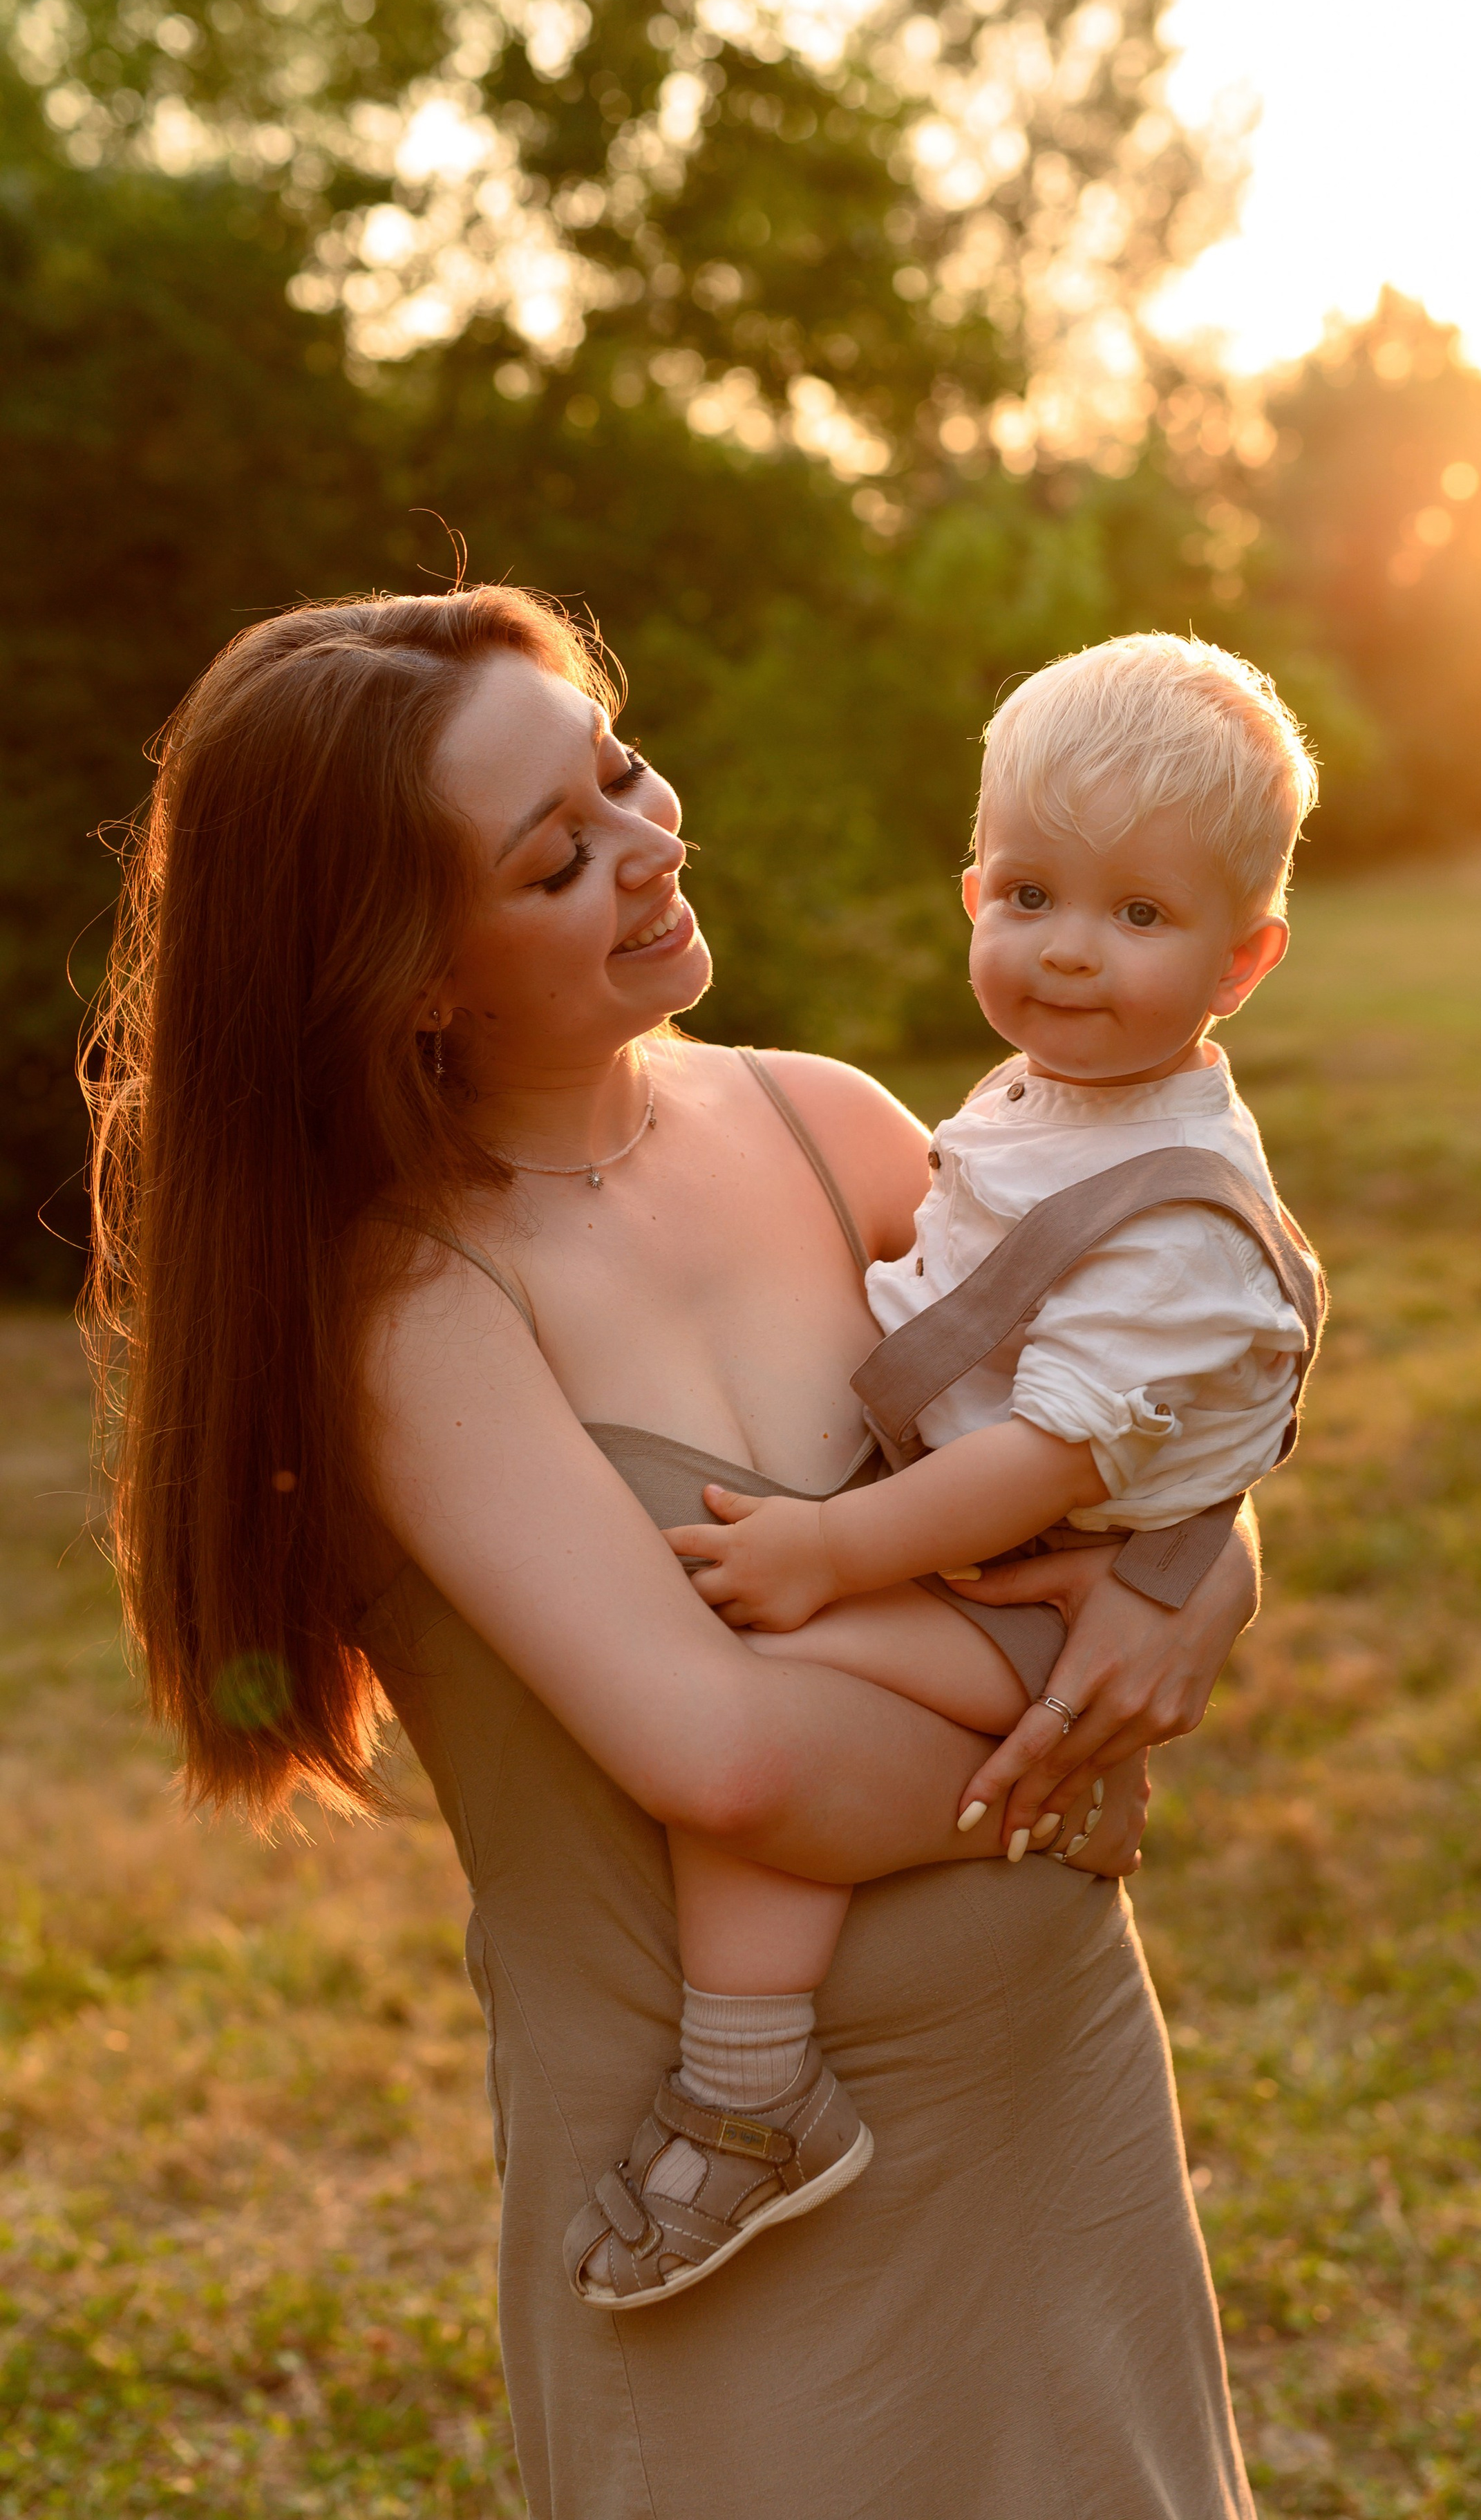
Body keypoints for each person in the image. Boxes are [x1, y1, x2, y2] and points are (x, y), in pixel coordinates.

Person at [84, 585, 1263, 2520]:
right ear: (412, 975)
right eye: (560, 859)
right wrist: (1072, 1768)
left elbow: (1148, 1397)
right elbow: (725, 1760)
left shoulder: (830, 1127)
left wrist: (1203, 1576)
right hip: (721, 2192)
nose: (648, 847)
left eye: (623, 773)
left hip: (1052, 2098)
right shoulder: (404, 1310)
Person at [626, 633, 1324, 2306]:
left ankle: (746, 2091)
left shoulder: (1169, 1204)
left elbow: (1039, 1460)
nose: (1069, 954)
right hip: (995, 1546)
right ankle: (771, 2064)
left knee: (757, 1671)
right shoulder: (1055, 1099)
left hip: (1032, 1582)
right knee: (752, 1675)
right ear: (969, 893)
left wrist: (832, 1550)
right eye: (1030, 894)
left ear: (1243, 960)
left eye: (1138, 917)